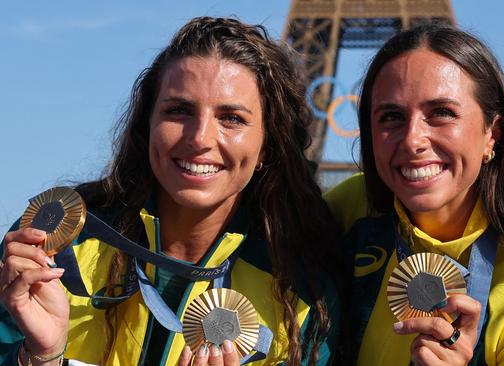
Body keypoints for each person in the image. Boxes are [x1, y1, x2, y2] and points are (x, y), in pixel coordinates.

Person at [0, 17, 341, 366]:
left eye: (231, 118)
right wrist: (40, 357)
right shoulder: (55, 244)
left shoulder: (302, 292)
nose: (200, 138)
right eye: (179, 111)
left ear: (267, 146)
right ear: (147, 124)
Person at [325, 24, 504, 365]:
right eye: (391, 117)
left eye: (441, 113)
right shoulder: (348, 208)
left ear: (492, 135)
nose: (412, 140)